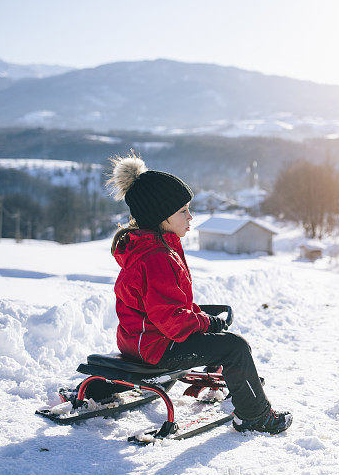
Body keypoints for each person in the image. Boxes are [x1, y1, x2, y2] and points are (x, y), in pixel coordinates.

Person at [104, 153, 291, 434]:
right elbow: (174, 323)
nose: (191, 217)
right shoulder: (156, 257)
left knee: (213, 326)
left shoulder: (153, 244)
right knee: (235, 346)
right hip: (156, 347)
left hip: (138, 339)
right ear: (160, 217)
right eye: (183, 211)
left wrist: (201, 316)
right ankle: (256, 416)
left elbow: (165, 306)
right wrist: (205, 321)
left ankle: (229, 379)